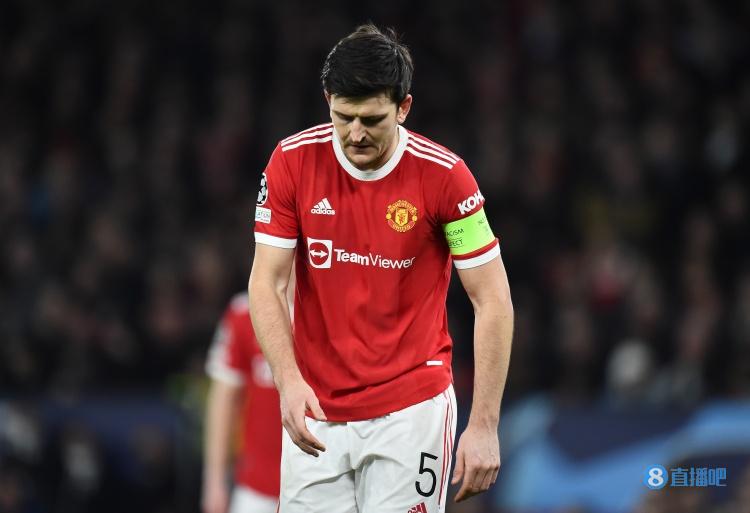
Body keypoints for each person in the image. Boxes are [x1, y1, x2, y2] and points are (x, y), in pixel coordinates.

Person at [248, 24, 513, 513]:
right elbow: (267, 282)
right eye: (343, 116)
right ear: (328, 101)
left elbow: (492, 297)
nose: (355, 133)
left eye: (371, 119)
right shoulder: (291, 163)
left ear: (403, 107)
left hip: (411, 409)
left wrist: (484, 424)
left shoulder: (446, 178)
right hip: (316, 410)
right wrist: (287, 380)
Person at [202, 293, 282, 513]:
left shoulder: (329, 307)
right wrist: (214, 481)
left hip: (321, 484)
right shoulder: (244, 311)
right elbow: (223, 400)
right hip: (256, 489)